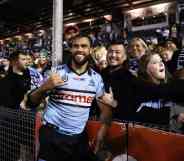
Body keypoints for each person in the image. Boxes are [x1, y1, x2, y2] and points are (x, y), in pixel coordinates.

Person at [28, 35, 116, 161]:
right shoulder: (55, 73)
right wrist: (44, 87)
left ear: (90, 50)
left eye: (84, 46)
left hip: (78, 139)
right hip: (52, 136)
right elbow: (31, 102)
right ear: (71, 49)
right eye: (76, 46)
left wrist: (103, 130)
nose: (79, 49)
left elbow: (105, 109)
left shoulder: (96, 78)